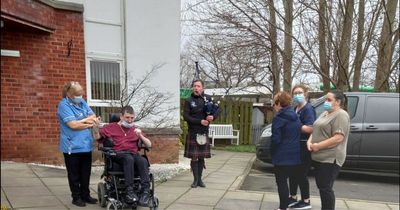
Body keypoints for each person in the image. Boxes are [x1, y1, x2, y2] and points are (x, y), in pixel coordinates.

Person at [92, 106, 152, 206]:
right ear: (121, 117)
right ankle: (129, 192)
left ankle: (145, 192)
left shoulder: (135, 129)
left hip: (133, 153)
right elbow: (97, 137)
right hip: (118, 154)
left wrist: (140, 135)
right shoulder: (110, 127)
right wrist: (95, 127)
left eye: (132, 118)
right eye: (127, 117)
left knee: (143, 160)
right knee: (128, 159)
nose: (130, 120)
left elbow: (149, 145)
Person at [57, 81, 99, 207]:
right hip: (72, 146)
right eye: (77, 94)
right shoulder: (63, 105)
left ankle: (86, 195)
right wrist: (88, 122)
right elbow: (73, 125)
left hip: (86, 145)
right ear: (69, 94)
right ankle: (76, 197)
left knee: (85, 173)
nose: (80, 97)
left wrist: (85, 121)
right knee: (74, 174)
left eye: (81, 94)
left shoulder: (82, 102)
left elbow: (94, 116)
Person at [307, 90, 350, 210]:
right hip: (319, 156)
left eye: (329, 100)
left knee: (325, 188)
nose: (326, 102)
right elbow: (316, 129)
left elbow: (338, 138)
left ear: (338, 102)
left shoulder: (341, 115)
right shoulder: (325, 113)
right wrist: (309, 142)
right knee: (322, 186)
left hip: (331, 158)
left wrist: (318, 146)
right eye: (326, 99)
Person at [183, 79, 220, 188]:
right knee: (194, 157)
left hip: (204, 132)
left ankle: (200, 180)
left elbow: (218, 110)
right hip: (193, 132)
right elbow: (186, 117)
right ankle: (195, 180)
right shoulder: (189, 100)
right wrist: (200, 121)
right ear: (192, 88)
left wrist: (212, 116)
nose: (196, 88)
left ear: (202, 88)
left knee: (201, 157)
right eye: (194, 86)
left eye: (198, 86)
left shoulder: (207, 99)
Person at [270, 91, 302, 210]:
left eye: (274, 103)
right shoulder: (295, 116)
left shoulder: (279, 118)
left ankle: (283, 207)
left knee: (282, 183)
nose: (274, 106)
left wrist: (272, 152)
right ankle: (288, 203)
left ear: (279, 103)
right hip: (295, 155)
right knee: (291, 181)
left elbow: (276, 139)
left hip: (281, 156)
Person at [288, 84, 316, 209]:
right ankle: (293, 197)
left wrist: (295, 126)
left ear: (305, 93)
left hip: (303, 146)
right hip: (294, 147)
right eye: (295, 93)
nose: (297, 95)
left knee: (301, 174)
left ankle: (306, 201)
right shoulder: (295, 109)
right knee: (293, 173)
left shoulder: (308, 109)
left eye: (300, 92)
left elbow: (310, 128)